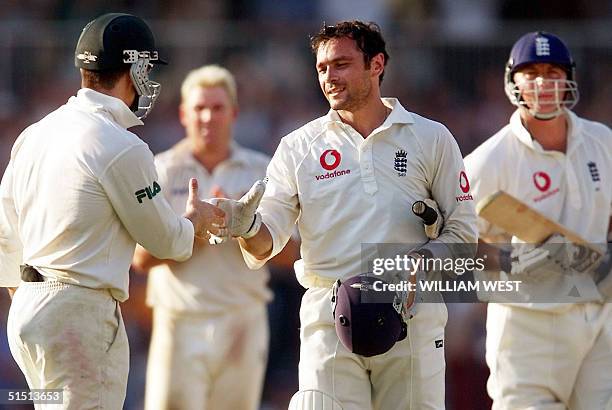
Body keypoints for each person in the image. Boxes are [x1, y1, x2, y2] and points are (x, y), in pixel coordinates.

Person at [210, 21, 477, 409]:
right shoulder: (299, 146)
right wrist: (246, 225)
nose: (329, 77)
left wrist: (423, 261)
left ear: (377, 64)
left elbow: (464, 230)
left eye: (341, 64)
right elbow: (269, 241)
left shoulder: (430, 137)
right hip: (331, 316)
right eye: (322, 68)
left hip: (411, 313)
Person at [0, 13, 224, 409]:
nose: (150, 80)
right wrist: (198, 222)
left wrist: (31, 299)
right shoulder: (120, 144)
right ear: (134, 67)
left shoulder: (34, 134)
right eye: (147, 68)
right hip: (79, 316)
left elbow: (5, 235)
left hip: (27, 314)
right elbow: (167, 241)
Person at [132, 65, 297, 410]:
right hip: (178, 319)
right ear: (183, 114)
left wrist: (246, 230)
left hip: (242, 319)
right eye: (199, 108)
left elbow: (294, 255)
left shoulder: (261, 171)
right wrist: (194, 231)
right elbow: (141, 259)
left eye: (218, 107)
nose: (208, 117)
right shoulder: (159, 170)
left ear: (234, 113)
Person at [465, 31, 612, 409]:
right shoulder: (488, 161)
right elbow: (453, 239)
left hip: (599, 314)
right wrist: (506, 262)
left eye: (553, 71)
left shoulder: (603, 143)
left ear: (569, 80)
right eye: (531, 72)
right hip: (528, 324)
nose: (543, 82)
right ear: (513, 82)